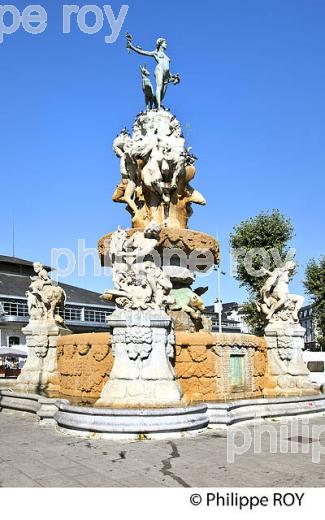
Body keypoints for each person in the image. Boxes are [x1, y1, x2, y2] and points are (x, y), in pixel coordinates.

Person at [126, 34, 180, 109]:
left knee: (163, 92)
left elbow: (167, 68)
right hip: (159, 70)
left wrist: (173, 76)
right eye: (165, 43)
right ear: (160, 43)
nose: (166, 44)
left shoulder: (166, 56)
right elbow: (143, 52)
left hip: (166, 74)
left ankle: (157, 103)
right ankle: (158, 107)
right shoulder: (156, 53)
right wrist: (131, 47)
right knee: (159, 87)